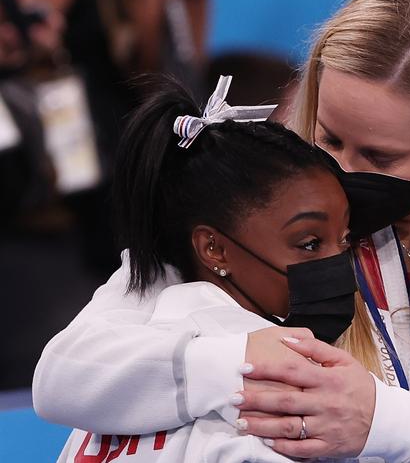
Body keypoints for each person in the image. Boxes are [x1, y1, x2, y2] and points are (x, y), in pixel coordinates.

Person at [34, 0, 410, 462]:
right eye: (328, 137)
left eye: (379, 156)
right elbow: (66, 377)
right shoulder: (244, 214)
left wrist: (385, 421)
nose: (342, 171)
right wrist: (239, 362)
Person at [57, 73, 375, 462]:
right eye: (308, 244)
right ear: (213, 248)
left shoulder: (113, 385)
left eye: (344, 240)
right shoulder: (271, 405)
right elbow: (52, 380)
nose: (337, 263)